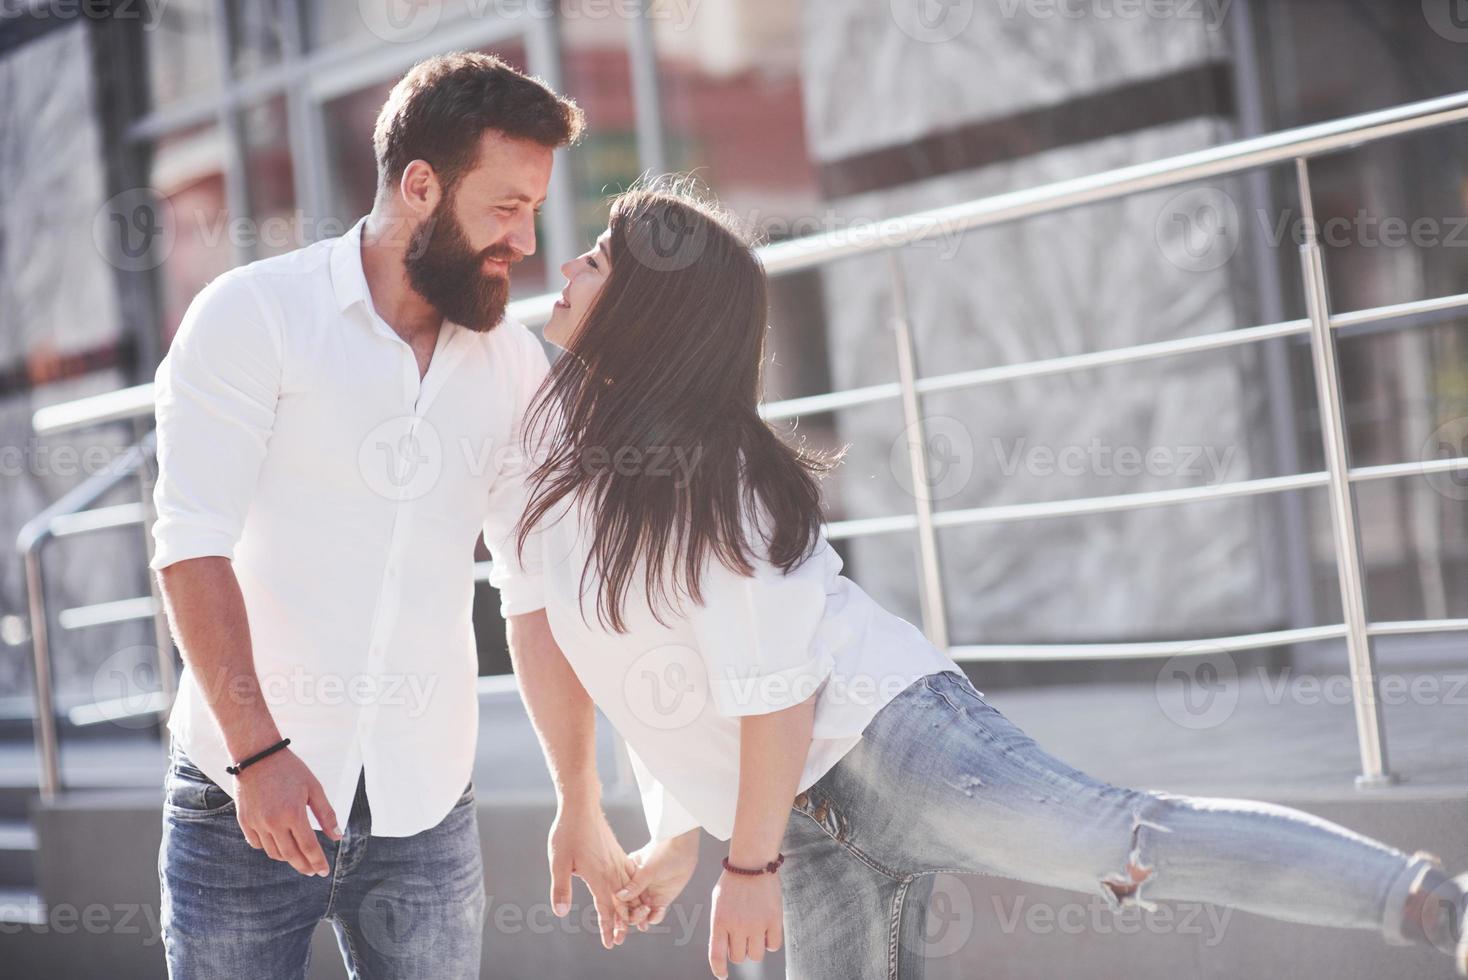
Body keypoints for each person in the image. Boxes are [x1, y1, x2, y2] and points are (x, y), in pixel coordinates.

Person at [507, 177, 1468, 979]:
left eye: (597, 257)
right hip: (794, 817)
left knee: (1129, 845)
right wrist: (684, 837)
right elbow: (669, 676)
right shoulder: (578, 465)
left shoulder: (715, 476)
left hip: (896, 746)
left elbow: (778, 690)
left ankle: (1426, 903)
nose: (567, 266)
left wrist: (745, 863)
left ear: (653, 315)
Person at [149, 52, 609, 979]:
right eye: (505, 209)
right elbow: (192, 544)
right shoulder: (255, 316)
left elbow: (533, 593)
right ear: (421, 185)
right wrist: (259, 753)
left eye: (533, 209)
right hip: (243, 790)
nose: (525, 242)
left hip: (425, 809)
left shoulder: (511, 366)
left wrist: (579, 795)